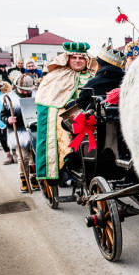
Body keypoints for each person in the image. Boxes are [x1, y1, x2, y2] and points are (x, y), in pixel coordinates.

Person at [34, 42, 96, 182]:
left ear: (87, 60)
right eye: (74, 57)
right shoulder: (56, 76)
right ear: (67, 59)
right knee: (60, 119)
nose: (78, 60)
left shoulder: (95, 74)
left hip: (94, 111)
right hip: (70, 113)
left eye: (81, 58)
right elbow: (51, 100)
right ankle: (70, 158)